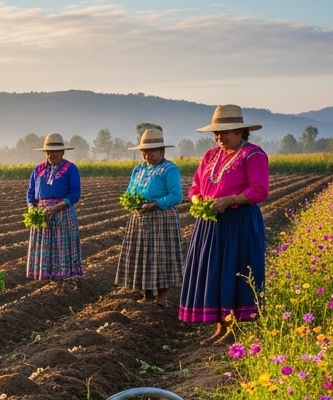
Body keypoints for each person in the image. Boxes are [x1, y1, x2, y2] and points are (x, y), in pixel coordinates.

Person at [179, 105, 269, 343]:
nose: (219, 137)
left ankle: (235, 330)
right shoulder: (210, 155)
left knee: (234, 270)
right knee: (216, 272)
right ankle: (220, 328)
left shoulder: (253, 154)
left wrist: (229, 200)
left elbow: (259, 190)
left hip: (238, 222)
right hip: (211, 223)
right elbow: (195, 186)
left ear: (240, 132)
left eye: (224, 132)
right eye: (216, 134)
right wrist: (197, 198)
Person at [114, 128, 183, 306]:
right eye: (144, 152)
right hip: (140, 218)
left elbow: (176, 196)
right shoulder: (138, 170)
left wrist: (156, 204)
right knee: (143, 257)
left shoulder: (169, 169)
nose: (147, 155)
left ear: (161, 151)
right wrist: (131, 202)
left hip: (161, 218)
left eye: (151, 151)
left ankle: (162, 299)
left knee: (161, 258)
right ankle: (147, 295)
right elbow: (129, 191)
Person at [25, 132, 83, 282]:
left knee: (60, 247)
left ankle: (63, 277)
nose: (51, 155)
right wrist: (32, 207)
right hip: (42, 214)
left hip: (62, 213)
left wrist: (57, 207)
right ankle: (45, 277)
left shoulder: (71, 168)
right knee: (45, 247)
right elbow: (31, 192)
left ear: (62, 152)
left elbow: (75, 193)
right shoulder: (38, 170)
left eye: (55, 152)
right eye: (48, 152)